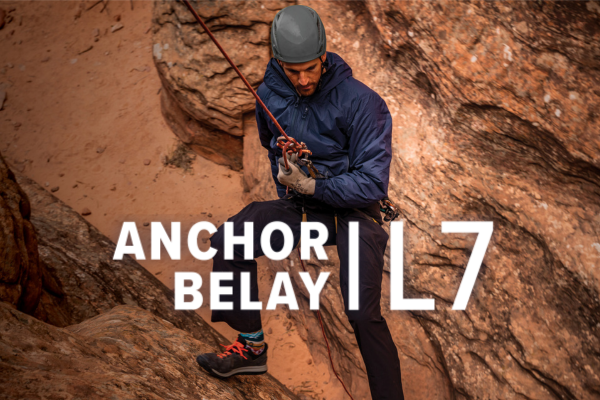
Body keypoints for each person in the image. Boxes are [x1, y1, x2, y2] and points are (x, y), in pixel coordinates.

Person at [196, 5, 404, 399]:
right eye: (294, 71)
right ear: (278, 62)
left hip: (357, 212)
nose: (304, 79)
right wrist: (289, 166)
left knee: (362, 312)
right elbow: (269, 144)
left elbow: (372, 183)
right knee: (231, 237)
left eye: (311, 68)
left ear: (324, 56)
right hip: (308, 207)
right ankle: (251, 346)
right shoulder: (270, 94)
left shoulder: (362, 102)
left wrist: (312, 186)